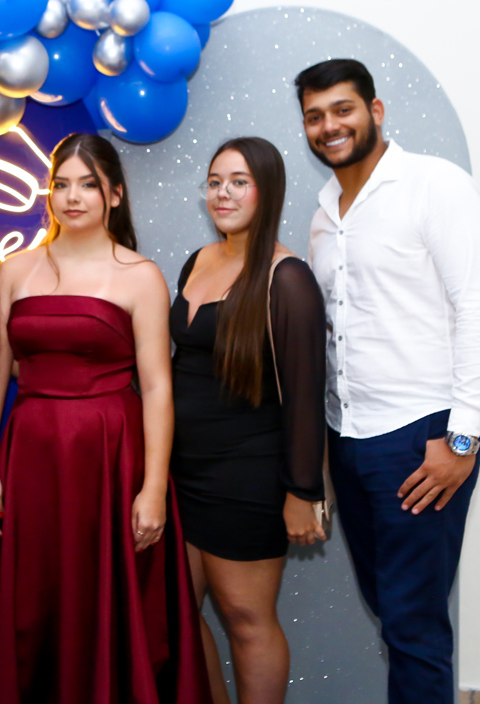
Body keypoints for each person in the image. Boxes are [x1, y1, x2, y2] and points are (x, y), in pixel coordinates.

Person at [0, 133, 210, 703]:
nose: (72, 197)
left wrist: (153, 487)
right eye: (61, 185)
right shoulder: (15, 271)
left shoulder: (140, 275)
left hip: (111, 458)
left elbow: (158, 387)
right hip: (30, 456)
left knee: (103, 596)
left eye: (88, 185)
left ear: (115, 195)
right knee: (32, 598)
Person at [297, 58, 480, 704]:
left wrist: (462, 441)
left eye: (342, 109)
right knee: (392, 610)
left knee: (414, 624)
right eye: (314, 116)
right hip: (349, 438)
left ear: (376, 111)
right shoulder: (324, 214)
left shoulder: (434, 186)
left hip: (422, 438)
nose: (329, 126)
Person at [171, 137, 327, 704]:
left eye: (239, 182)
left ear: (268, 191)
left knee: (245, 617)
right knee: (178, 613)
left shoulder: (288, 277)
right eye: (215, 182)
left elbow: (306, 393)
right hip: (181, 474)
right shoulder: (198, 260)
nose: (223, 194)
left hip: (247, 479)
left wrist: (302, 492)